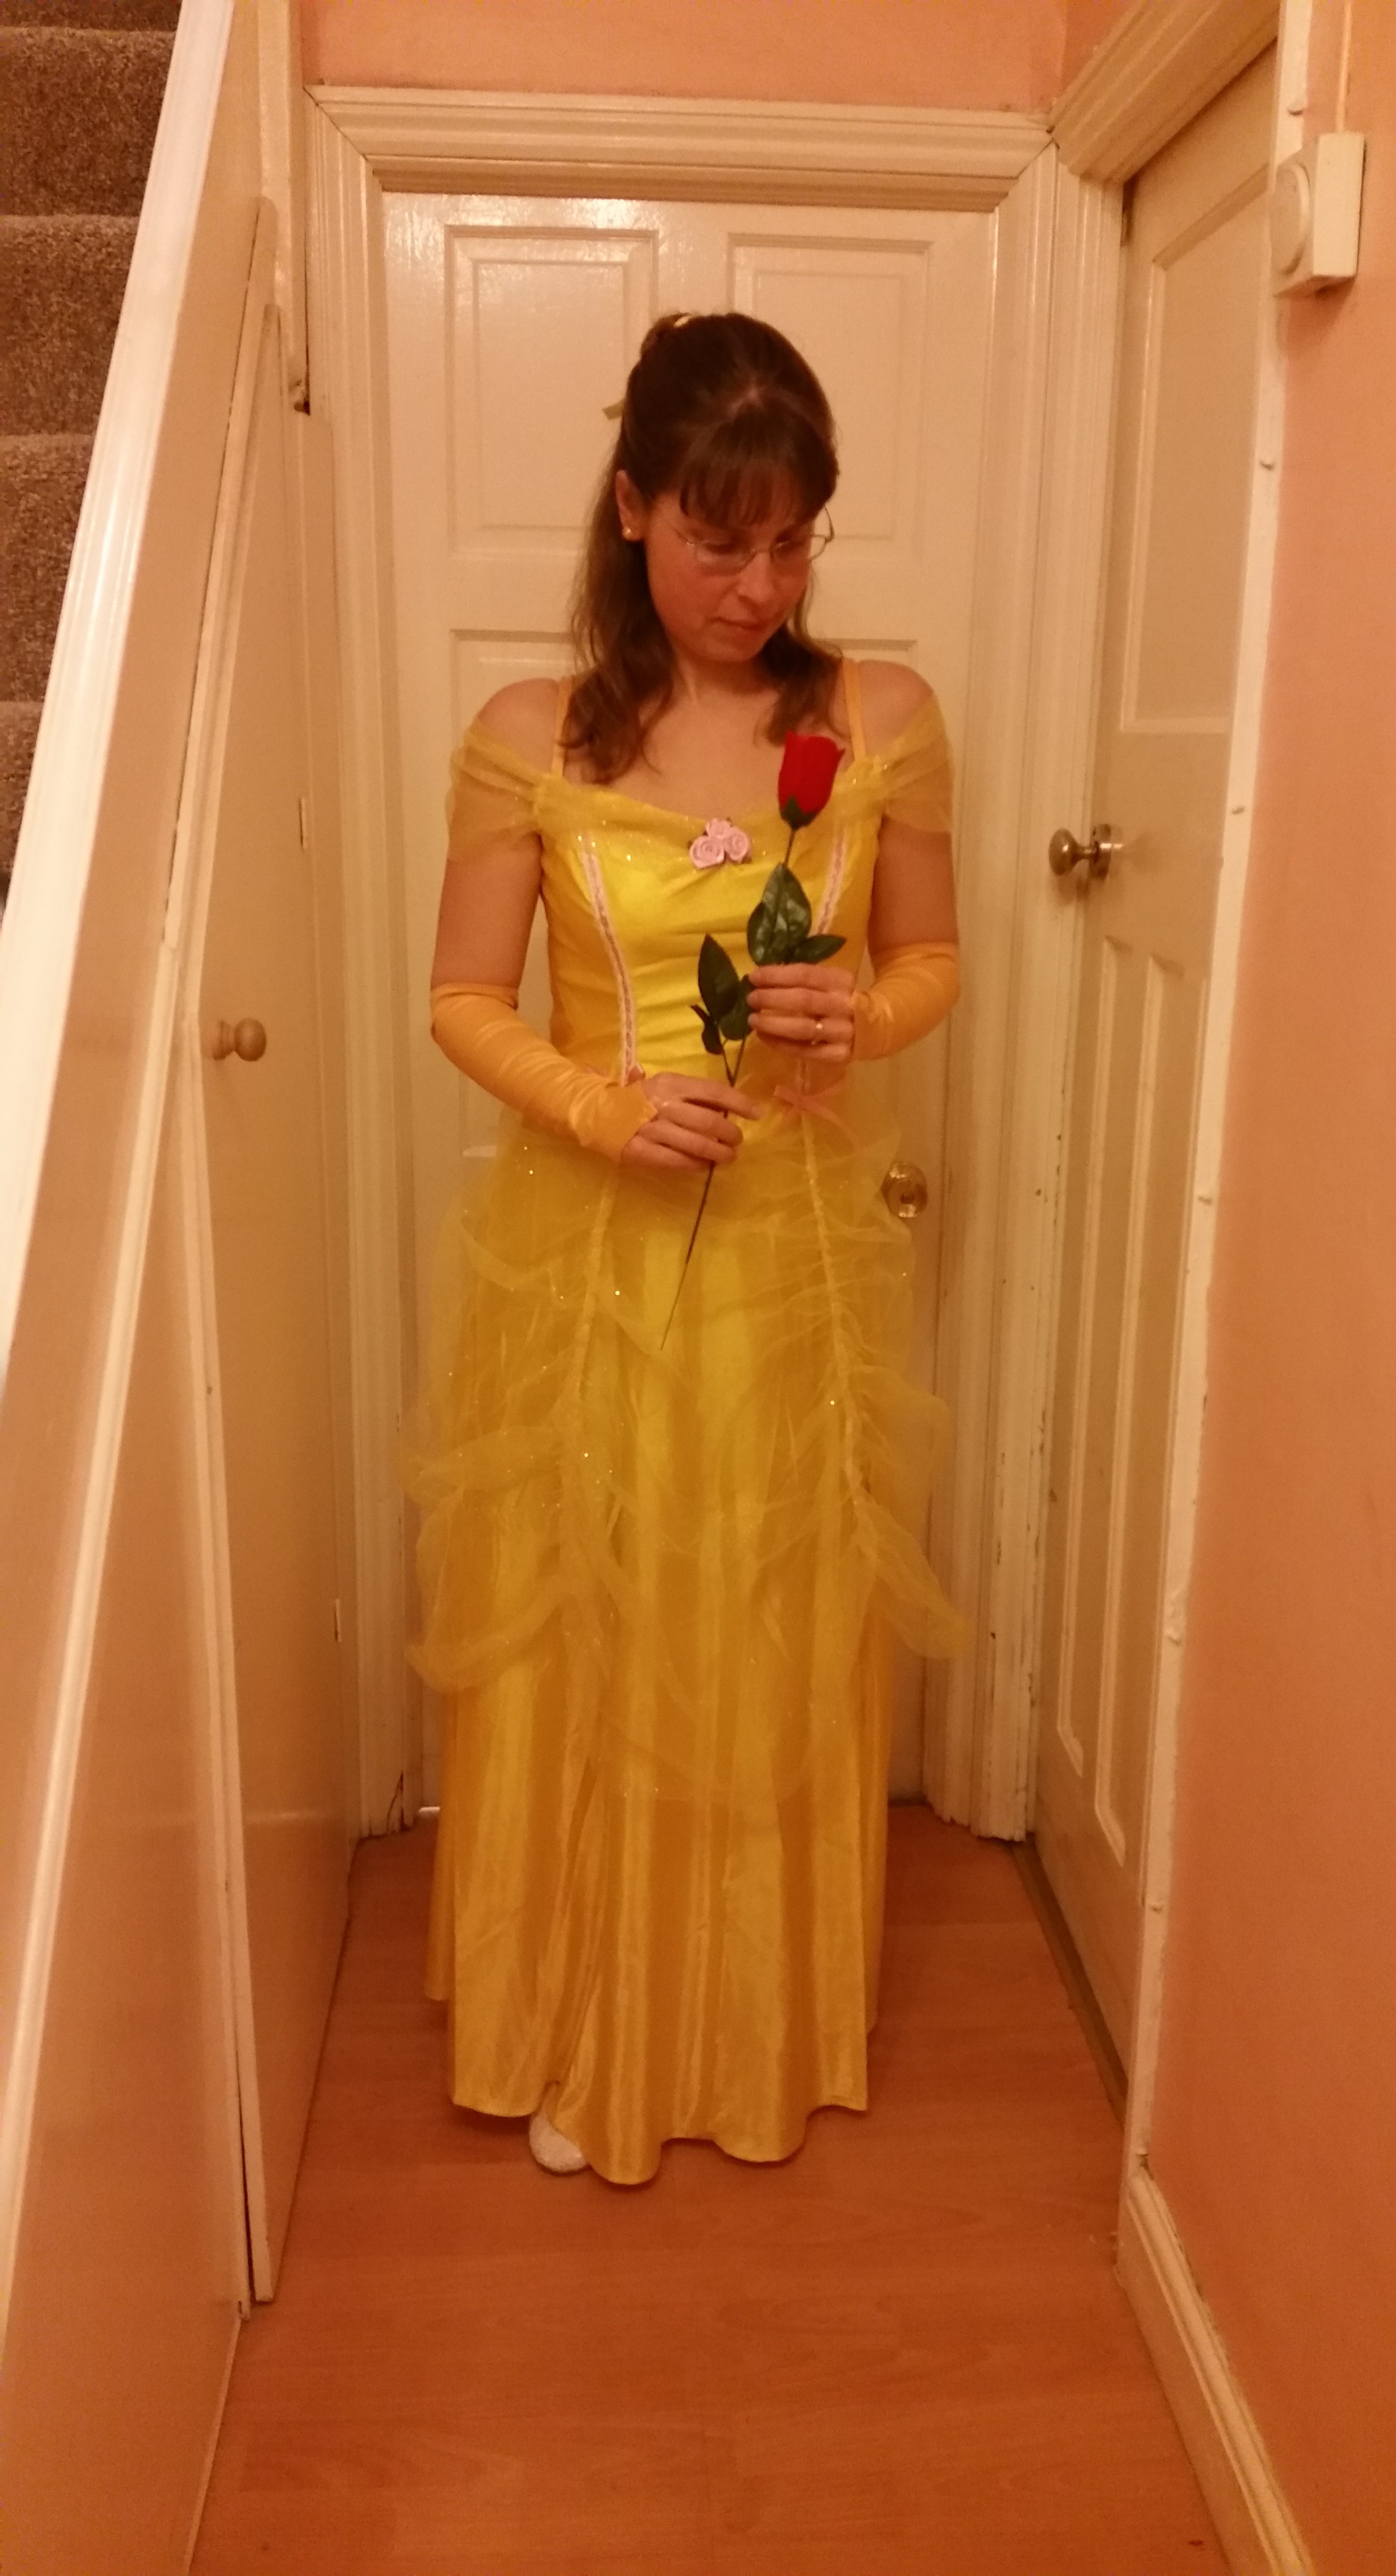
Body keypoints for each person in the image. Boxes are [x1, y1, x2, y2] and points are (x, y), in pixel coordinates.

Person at [404, 310, 966, 2185]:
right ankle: (581, 2014)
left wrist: (857, 1019)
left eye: (794, 540)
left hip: (786, 1250)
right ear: (633, 506)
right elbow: (461, 997)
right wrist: (595, 1104)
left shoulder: (880, 719)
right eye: (721, 539)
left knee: (758, 1600)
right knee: (597, 1606)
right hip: (589, 1252)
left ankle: (737, 2021)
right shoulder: (533, 735)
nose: (760, 584)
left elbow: (929, 959)